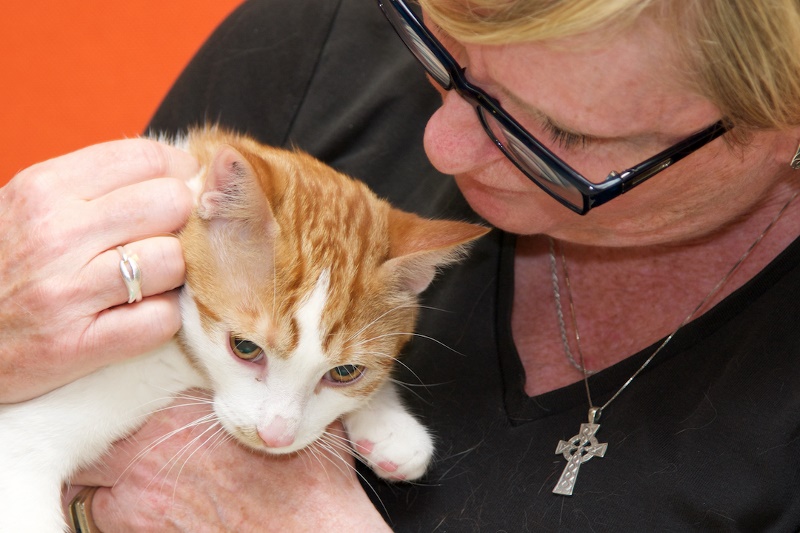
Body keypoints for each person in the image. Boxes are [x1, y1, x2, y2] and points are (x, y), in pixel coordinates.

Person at [2, 0, 799, 530]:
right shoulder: (319, 38)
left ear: (783, 128)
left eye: (560, 134)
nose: (442, 146)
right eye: (444, 49)